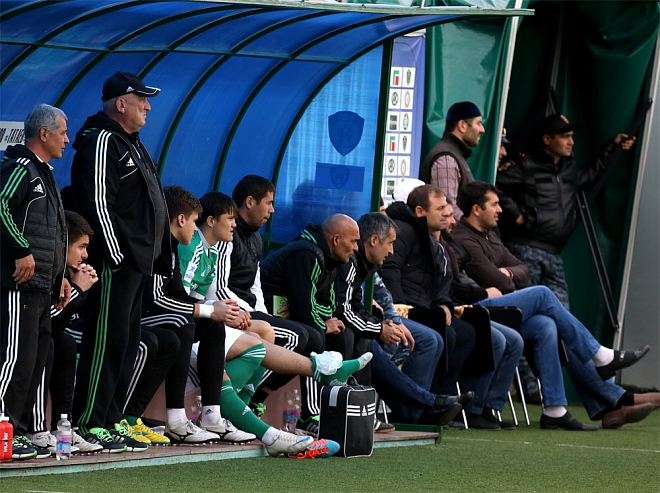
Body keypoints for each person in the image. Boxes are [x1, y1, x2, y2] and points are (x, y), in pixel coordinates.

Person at [452, 181, 657, 429]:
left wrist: (508, 273)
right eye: (494, 204)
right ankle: (602, 361)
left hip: (500, 308)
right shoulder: (463, 237)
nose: (500, 210)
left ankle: (555, 410)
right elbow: (497, 280)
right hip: (474, 310)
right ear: (476, 209)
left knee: (545, 325)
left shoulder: (491, 236)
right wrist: (506, 276)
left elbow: (523, 269)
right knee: (542, 294)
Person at [70, 71, 171, 452]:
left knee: (126, 344)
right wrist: (114, 255)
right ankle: (88, 422)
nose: (148, 107)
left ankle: (110, 419)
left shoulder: (131, 142)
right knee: (106, 341)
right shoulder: (102, 140)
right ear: (121, 103)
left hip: (137, 263)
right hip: (116, 263)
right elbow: (98, 201)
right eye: (142, 100)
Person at [204, 176, 324, 423]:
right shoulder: (227, 234)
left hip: (249, 309)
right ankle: (243, 400)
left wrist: (263, 311)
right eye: (269, 203)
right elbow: (218, 287)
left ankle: (257, 400)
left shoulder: (256, 238)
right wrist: (247, 311)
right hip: (232, 310)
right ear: (250, 202)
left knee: (314, 335)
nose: (272, 210)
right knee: (298, 337)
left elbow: (254, 284)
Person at [334, 212, 467, 426]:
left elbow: (355, 305)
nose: (391, 251)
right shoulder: (350, 263)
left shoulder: (363, 265)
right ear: (374, 240)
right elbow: (344, 310)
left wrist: (383, 323)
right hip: (330, 326)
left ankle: (418, 410)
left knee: (431, 338)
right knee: (367, 344)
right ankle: (427, 402)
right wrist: (379, 329)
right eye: (390, 244)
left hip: (362, 321)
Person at [496, 114, 636, 307]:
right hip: (524, 250)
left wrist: (613, 147)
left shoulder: (569, 169)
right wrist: (517, 215)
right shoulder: (525, 165)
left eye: (571, 136)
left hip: (554, 254)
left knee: (560, 313)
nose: (571, 142)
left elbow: (591, 174)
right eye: (565, 137)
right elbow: (495, 184)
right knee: (523, 309)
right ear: (547, 139)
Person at [0, 104, 70, 460]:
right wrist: (21, 249)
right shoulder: (20, 168)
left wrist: (60, 276)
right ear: (44, 134)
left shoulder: (44, 173)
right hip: (19, 285)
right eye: (63, 132)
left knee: (35, 361)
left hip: (42, 286)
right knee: (16, 359)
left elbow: (53, 234)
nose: (67, 139)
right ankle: (2, 427)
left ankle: (21, 431)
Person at [260, 214, 360, 435]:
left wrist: (322, 320)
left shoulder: (332, 259)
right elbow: (303, 309)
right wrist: (322, 325)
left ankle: (331, 409)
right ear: (336, 239)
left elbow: (328, 306)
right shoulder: (307, 253)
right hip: (263, 312)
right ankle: (307, 414)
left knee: (343, 335)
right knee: (314, 337)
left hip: (291, 317)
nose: (356, 248)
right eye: (353, 241)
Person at [381, 184, 477, 399]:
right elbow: (389, 270)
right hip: (404, 309)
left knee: (468, 333)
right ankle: (418, 402)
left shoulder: (432, 239)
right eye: (440, 208)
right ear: (419, 211)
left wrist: (444, 303)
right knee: (442, 336)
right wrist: (399, 308)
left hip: (425, 307)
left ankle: (443, 399)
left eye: (446, 207)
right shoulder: (404, 230)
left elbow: (443, 280)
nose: (446, 213)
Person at [28, 211, 104, 456]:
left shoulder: (64, 274)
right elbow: (45, 321)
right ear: (63, 244)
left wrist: (79, 288)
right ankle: (36, 430)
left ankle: (63, 427)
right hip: (19, 337)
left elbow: (61, 323)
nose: (86, 255)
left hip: (47, 335)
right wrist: (79, 290)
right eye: (81, 247)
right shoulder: (44, 267)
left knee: (66, 343)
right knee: (48, 343)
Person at [419, 101, 484, 219]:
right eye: (478, 123)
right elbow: (447, 210)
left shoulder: (454, 154)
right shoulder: (446, 158)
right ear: (462, 125)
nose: (482, 129)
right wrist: (474, 226)